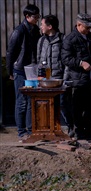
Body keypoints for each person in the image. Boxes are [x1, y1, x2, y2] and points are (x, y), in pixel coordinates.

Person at [61, 13, 91, 140]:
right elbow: (66, 58)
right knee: (77, 107)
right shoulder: (70, 39)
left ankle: (89, 129)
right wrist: (80, 63)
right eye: (86, 27)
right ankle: (78, 131)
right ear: (78, 25)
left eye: (90, 28)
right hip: (77, 78)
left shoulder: (90, 37)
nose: (88, 30)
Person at [6, 4, 41, 142]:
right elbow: (10, 53)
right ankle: (21, 131)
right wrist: (10, 71)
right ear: (27, 17)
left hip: (31, 69)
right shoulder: (19, 31)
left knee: (31, 100)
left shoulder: (35, 30)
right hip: (20, 70)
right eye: (35, 17)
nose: (37, 19)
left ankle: (31, 129)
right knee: (21, 101)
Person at [37, 14, 74, 135]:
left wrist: (65, 79)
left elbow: (67, 62)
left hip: (59, 78)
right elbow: (39, 59)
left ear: (50, 26)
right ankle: (49, 129)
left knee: (63, 104)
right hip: (45, 79)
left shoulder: (63, 40)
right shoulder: (41, 40)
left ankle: (70, 126)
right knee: (47, 104)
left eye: (42, 24)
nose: (41, 26)